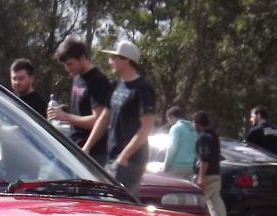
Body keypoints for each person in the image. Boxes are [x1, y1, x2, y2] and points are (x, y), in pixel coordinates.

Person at [101, 38, 155, 191]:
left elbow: (146, 128)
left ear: (126, 60)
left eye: (113, 58)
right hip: (112, 157)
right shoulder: (116, 85)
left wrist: (124, 157)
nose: (109, 61)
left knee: (123, 207)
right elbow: (105, 118)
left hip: (130, 162)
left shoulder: (143, 88)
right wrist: (87, 147)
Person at [48, 36, 112, 164]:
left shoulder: (97, 81)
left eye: (70, 64)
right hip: (74, 145)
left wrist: (66, 117)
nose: (67, 68)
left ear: (82, 58)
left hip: (92, 154)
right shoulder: (77, 76)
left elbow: (98, 121)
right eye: (65, 65)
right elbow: (82, 109)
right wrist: (62, 111)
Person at [193, 110, 227, 216]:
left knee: (197, 201)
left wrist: (201, 177)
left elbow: (204, 157)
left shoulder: (203, 137)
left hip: (207, 176)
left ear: (198, 123)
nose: (193, 126)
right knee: (215, 201)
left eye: (194, 123)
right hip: (216, 174)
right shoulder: (214, 135)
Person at [161, 106, 196, 179]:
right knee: (185, 190)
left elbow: (172, 148)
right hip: (190, 167)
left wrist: (166, 166)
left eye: (169, 119)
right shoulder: (193, 129)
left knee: (171, 189)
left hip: (176, 167)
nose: (169, 122)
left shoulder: (176, 128)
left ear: (172, 116)